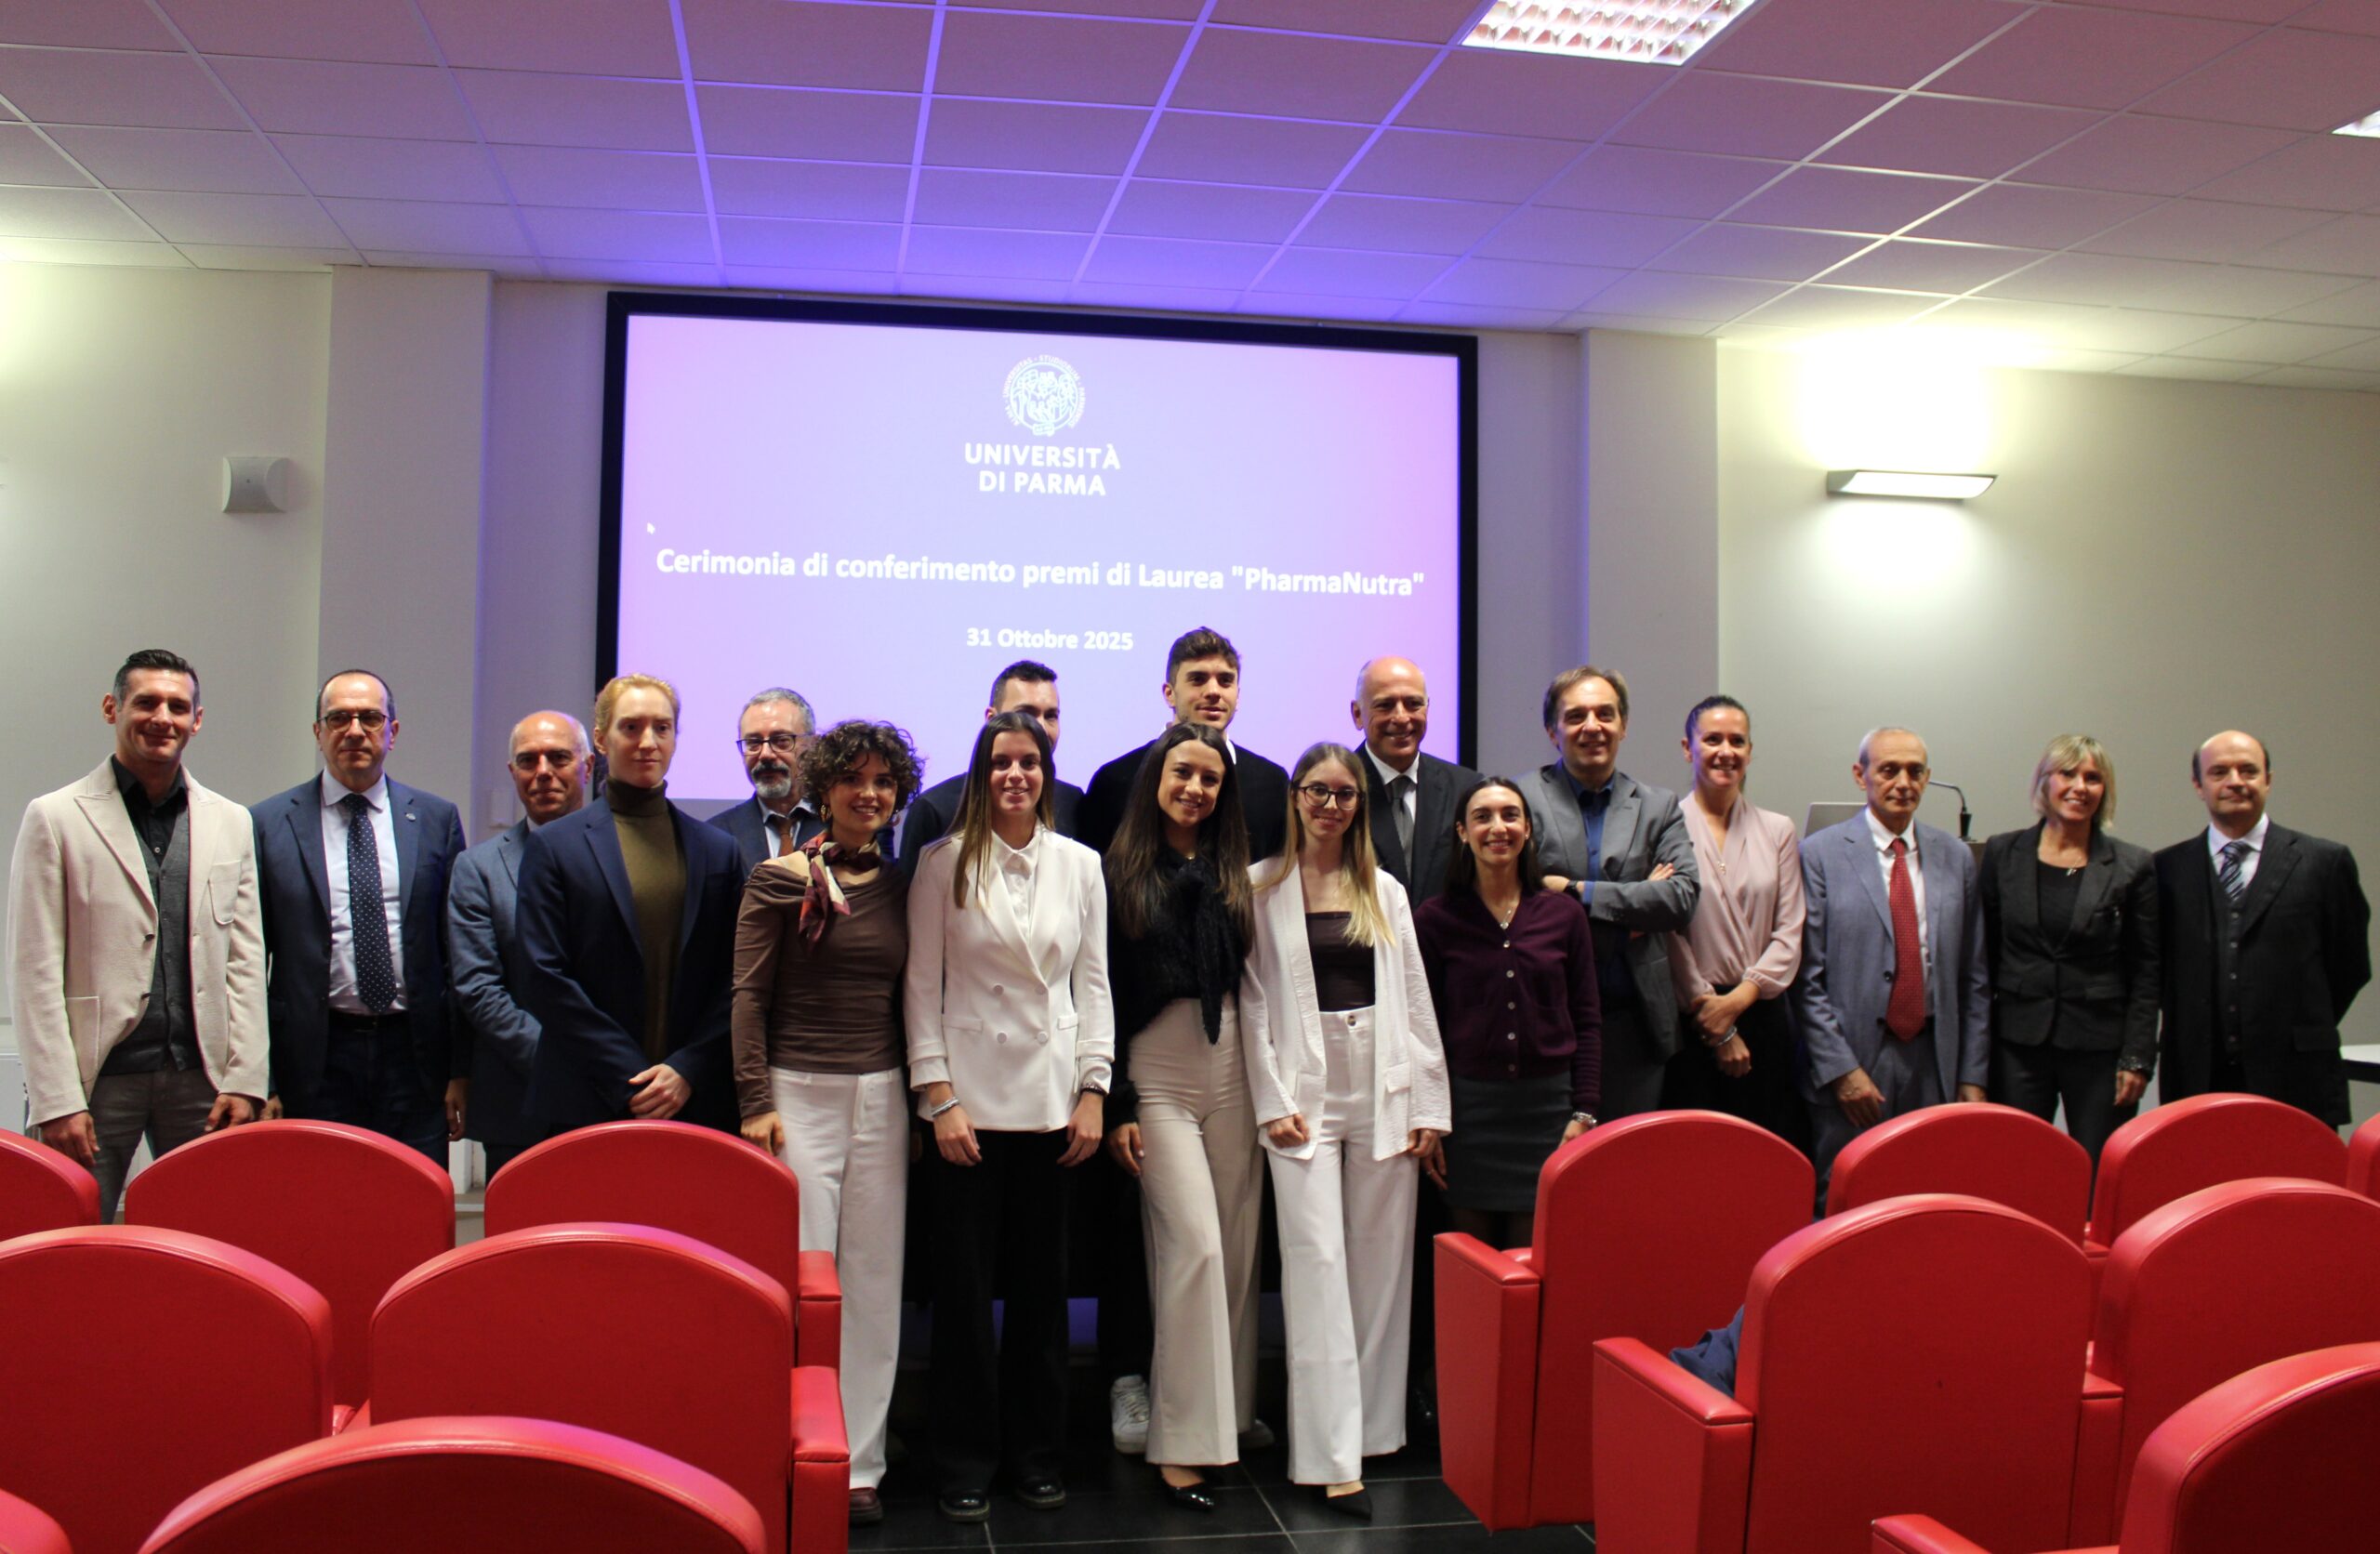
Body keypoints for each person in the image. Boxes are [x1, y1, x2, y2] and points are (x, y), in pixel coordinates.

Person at [905, 710, 1115, 1523]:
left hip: (1054, 1106)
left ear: (1047, 773)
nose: (1015, 776)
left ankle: (1036, 1454)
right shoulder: (940, 862)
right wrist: (939, 1098)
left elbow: (1092, 987)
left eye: (1029, 762)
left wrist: (1094, 1088)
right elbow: (922, 989)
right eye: (1001, 763)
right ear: (981, 772)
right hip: (969, 1109)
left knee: (1042, 1296)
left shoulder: (1081, 865)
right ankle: (962, 1458)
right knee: (963, 1298)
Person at [1242, 743, 1450, 1520]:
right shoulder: (1260, 887)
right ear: (1295, 797)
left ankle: (1369, 1436)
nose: (1332, 804)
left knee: (1379, 1270)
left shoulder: (1384, 889)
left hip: (1382, 1088)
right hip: (1302, 1093)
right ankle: (1327, 1457)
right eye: (1319, 791)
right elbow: (1252, 1003)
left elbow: (1416, 997)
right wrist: (1268, 1098)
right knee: (1317, 1264)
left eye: (1345, 794)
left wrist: (1429, 1107)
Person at [733, 718, 922, 1527]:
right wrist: (755, 1104)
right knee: (806, 1285)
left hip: (882, 1095)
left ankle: (859, 1467)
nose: (869, 794)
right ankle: (796, 1445)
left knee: (875, 1286)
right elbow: (747, 997)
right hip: (795, 1095)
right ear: (826, 789)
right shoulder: (778, 877)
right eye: (855, 780)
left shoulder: (910, 883)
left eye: (884, 783)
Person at [7, 650, 266, 1220]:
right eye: (146, 701)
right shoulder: (55, 817)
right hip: (96, 1082)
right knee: (69, 1235)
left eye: (178, 706)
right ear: (112, 708)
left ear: (197, 720)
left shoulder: (231, 821)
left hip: (202, 1081)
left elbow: (245, 960)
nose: (162, 717)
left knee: (209, 1238)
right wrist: (56, 1098)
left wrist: (247, 1079)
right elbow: (35, 971)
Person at [1102, 723, 1260, 1512]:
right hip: (1155, 1077)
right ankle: (1181, 1445)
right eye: (1182, 773)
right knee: (1191, 1248)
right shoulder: (1116, 871)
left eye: (1209, 779)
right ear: (1155, 778)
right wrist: (1118, 1103)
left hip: (1233, 1071)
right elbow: (1098, 996)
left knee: (1232, 1254)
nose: (1195, 788)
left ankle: (1225, 1423)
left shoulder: (1238, 870)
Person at [252, 669, 467, 1162]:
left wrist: (460, 1068)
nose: (354, 730)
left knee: (414, 1205)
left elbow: (455, 954)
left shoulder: (436, 819)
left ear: (392, 731)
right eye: (339, 718)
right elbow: (246, 962)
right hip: (315, 1056)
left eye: (370, 718)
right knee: (320, 1205)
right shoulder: (267, 824)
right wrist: (259, 1078)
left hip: (413, 1057)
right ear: (317, 732)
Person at [517, 674, 745, 1133]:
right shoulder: (556, 847)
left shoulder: (718, 850)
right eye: (631, 727)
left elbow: (738, 975)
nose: (648, 742)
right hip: (585, 1095)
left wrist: (687, 1068)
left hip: (692, 1098)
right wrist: (632, 1077)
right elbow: (542, 977)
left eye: (662, 728)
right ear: (600, 739)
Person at [1792, 727, 1989, 1184]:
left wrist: (1972, 1075)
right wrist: (1841, 1071)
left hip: (1934, 1060)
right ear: (1861, 776)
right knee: (1846, 1196)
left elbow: (1973, 977)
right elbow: (1806, 977)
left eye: (1915, 771)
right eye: (1889, 770)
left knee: (1929, 1197)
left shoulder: (1955, 858)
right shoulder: (1819, 854)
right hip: (1855, 1063)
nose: (1903, 782)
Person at [1414, 776, 1598, 1249]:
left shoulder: (1563, 915)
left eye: (1510, 815)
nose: (1498, 828)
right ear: (1461, 832)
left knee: (1531, 1270)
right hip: (1468, 1120)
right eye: (1483, 817)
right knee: (1470, 1274)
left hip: (1548, 1118)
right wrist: (1429, 1115)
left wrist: (1584, 1112)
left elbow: (1587, 1017)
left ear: (1528, 829)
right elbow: (1420, 1027)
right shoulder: (1435, 919)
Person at [2155, 731, 2370, 1127]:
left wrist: (2292, 1021)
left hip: (2297, 1076)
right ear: (2199, 786)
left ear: (2268, 779)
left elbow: (2350, 965)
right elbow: (2157, 971)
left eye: (2248, 770)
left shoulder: (2323, 862)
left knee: (2301, 1189)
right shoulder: (2165, 870)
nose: (2235, 780)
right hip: (2198, 1076)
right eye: (2219, 772)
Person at [1518, 666, 1699, 1120]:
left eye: (1605, 714)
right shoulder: (1518, 801)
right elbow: (1517, 906)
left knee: (1626, 1170)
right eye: (1576, 716)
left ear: (1623, 725)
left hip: (1634, 1026)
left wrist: (1574, 890)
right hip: (1545, 1019)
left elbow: (1681, 898)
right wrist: (1633, 911)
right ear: (1552, 731)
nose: (1592, 726)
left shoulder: (1659, 807)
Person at [1981, 734, 2159, 1162]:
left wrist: (2137, 1057)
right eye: (2068, 774)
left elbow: (2148, 969)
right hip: (2018, 1043)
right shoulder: (2003, 853)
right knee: (2018, 1166)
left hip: (2100, 1047)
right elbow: (1982, 957)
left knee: (2099, 1169)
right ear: (2044, 782)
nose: (2080, 787)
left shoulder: (2133, 865)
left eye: (2093, 778)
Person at [444, 710, 589, 1179]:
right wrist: (557, 1061)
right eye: (528, 760)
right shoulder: (478, 868)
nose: (543, 771)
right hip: (517, 1100)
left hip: (612, 1095)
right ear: (513, 773)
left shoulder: (627, 857)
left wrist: (604, 1060)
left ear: (587, 766)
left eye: (559, 757)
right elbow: (478, 988)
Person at [1662, 695, 1808, 1150]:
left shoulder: (1778, 829)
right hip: (1694, 1019)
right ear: (1688, 748)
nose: (1726, 751)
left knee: (1766, 1153)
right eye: (1712, 739)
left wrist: (1740, 1000)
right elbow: (1668, 932)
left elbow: (1790, 931)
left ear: (1749, 751)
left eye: (1737, 741)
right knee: (1698, 1157)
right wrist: (1716, 1020)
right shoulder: (1663, 827)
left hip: (1763, 1013)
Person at [1079, 626, 1290, 862]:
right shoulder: (1114, 781)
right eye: (1198, 679)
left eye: (1225, 681)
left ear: (1237, 696)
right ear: (1169, 693)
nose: (1213, 691)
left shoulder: (1272, 784)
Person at [899, 660, 1082, 870]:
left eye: (1051, 716)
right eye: (1026, 714)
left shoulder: (1073, 803)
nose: (1040, 727)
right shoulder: (934, 810)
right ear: (992, 719)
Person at [1350, 656, 1479, 900]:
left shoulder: (1466, 789)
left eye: (1413, 704)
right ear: (1358, 714)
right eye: (1385, 705)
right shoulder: (1333, 793)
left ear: (1427, 709)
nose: (1401, 717)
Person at [709, 687, 819, 873]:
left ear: (813, 745)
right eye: (753, 743)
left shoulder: (842, 825)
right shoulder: (715, 835)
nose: (765, 754)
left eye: (781, 740)